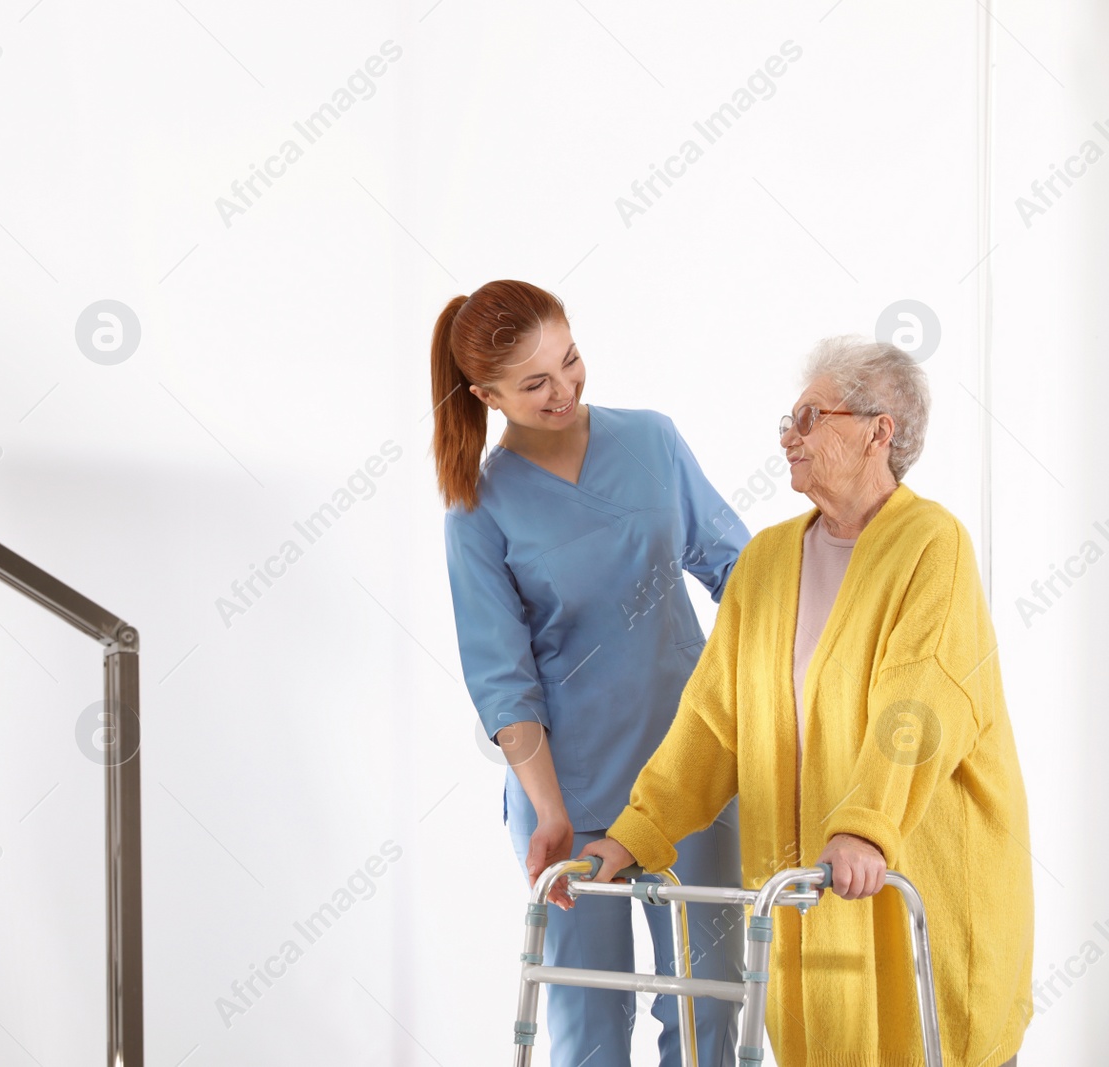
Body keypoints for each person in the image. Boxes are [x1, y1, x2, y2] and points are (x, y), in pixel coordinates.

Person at [578, 336, 1033, 1067]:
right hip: (805, 901)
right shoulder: (765, 562)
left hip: (911, 887)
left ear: (879, 431)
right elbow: (710, 720)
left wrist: (864, 826)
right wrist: (636, 831)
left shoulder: (931, 543)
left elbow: (918, 701)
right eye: (787, 419)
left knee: (925, 1041)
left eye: (810, 416)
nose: (789, 435)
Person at [434, 279, 749, 1067]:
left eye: (570, 361)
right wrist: (549, 811)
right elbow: (502, 679)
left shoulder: (652, 442)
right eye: (534, 383)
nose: (564, 389)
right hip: (569, 798)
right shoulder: (480, 508)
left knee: (711, 1012)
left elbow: (738, 571)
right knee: (590, 1028)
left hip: (692, 779)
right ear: (487, 394)